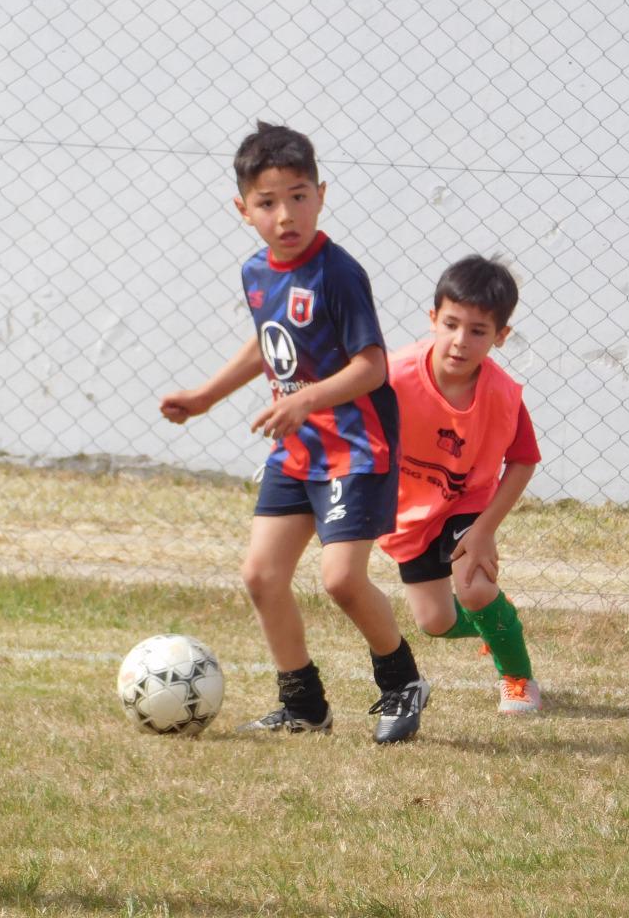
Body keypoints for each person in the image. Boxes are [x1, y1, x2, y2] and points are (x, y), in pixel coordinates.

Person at [160, 121, 429, 744]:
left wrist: (305, 400)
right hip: (298, 448)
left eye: (299, 196)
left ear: (322, 195)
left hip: (355, 449)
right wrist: (204, 396)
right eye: (268, 202)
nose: (286, 214)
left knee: (340, 579)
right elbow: (269, 342)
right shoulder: (258, 272)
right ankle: (304, 704)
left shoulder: (339, 274)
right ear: (243, 210)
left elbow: (372, 367)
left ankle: (401, 682)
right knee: (260, 575)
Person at [378, 254, 542, 713]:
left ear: (501, 336)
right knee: (434, 621)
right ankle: (499, 621)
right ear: (432, 319)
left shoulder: (502, 394)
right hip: (408, 509)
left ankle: (517, 678)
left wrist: (485, 529)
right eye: (451, 324)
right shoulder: (392, 377)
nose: (460, 341)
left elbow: (525, 460)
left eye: (478, 331)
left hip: (466, 503)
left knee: (471, 585)